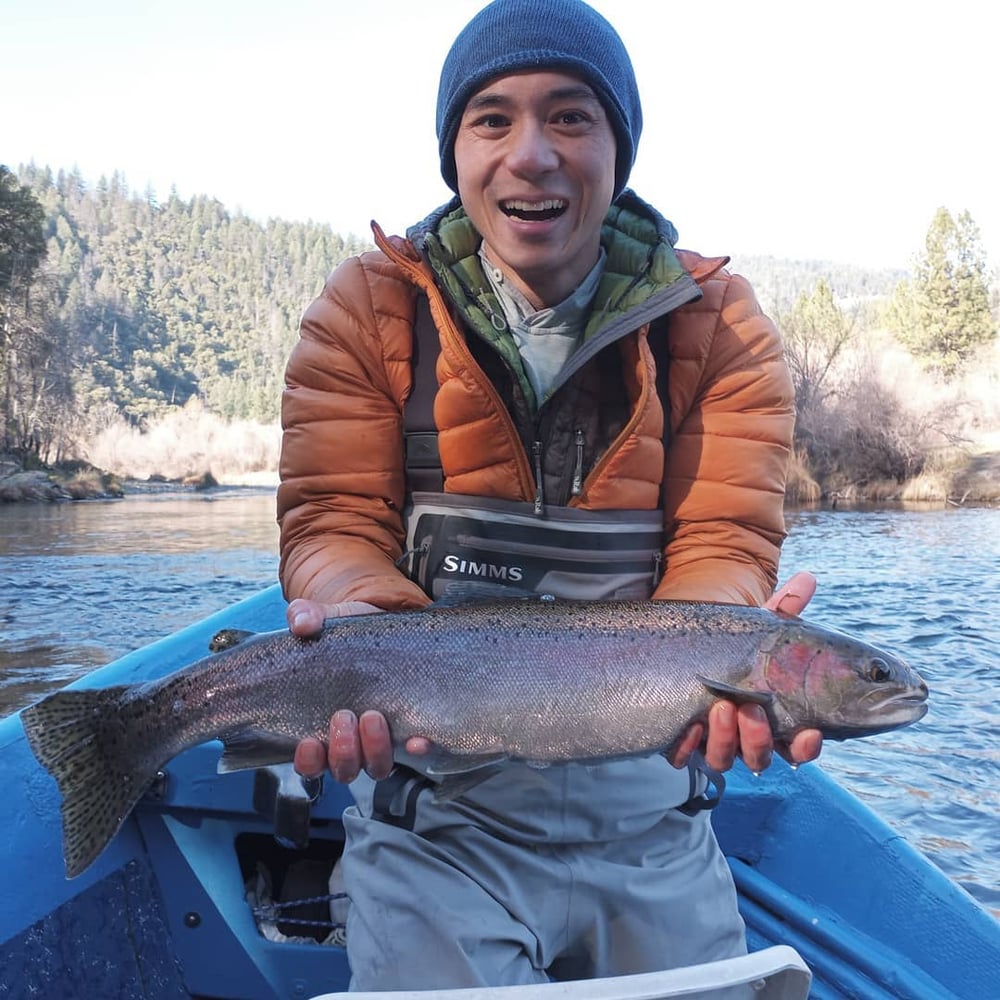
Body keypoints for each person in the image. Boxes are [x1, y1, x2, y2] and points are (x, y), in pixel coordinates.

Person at [277, 0, 822, 989]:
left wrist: (728, 652)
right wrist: (352, 622)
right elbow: (332, 524)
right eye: (492, 118)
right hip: (435, 821)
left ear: (619, 148)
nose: (530, 154)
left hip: (652, 823)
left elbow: (724, 542)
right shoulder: (368, 308)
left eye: (571, 117)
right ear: (455, 153)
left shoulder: (720, 327)